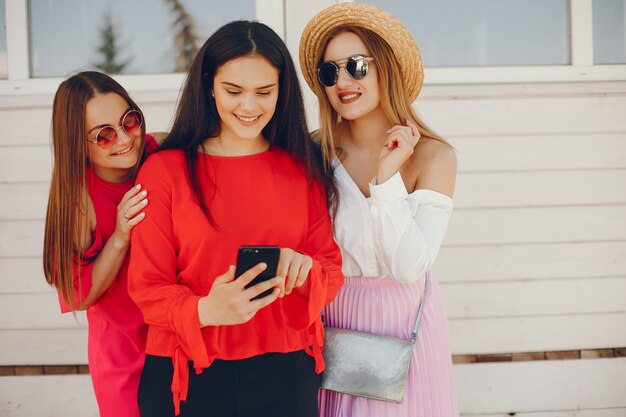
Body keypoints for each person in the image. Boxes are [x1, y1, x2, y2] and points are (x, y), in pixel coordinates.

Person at [127, 20, 344, 417]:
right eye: (233, 91)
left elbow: (329, 268)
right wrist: (206, 310)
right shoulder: (165, 172)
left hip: (285, 371)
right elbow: (146, 287)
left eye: (264, 92)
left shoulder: (303, 168)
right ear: (209, 85)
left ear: (283, 90)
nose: (249, 106)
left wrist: (306, 270)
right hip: (190, 369)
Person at [299, 3, 459, 416]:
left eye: (355, 65)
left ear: (386, 67)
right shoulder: (310, 154)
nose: (343, 81)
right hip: (333, 314)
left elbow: (409, 268)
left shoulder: (433, 156)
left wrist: (387, 179)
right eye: (329, 72)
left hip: (406, 320)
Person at [43, 71, 159, 417]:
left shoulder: (156, 153)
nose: (124, 139)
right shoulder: (80, 201)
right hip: (123, 360)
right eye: (104, 136)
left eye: (129, 121)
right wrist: (121, 235)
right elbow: (78, 295)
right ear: (78, 143)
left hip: (173, 347)